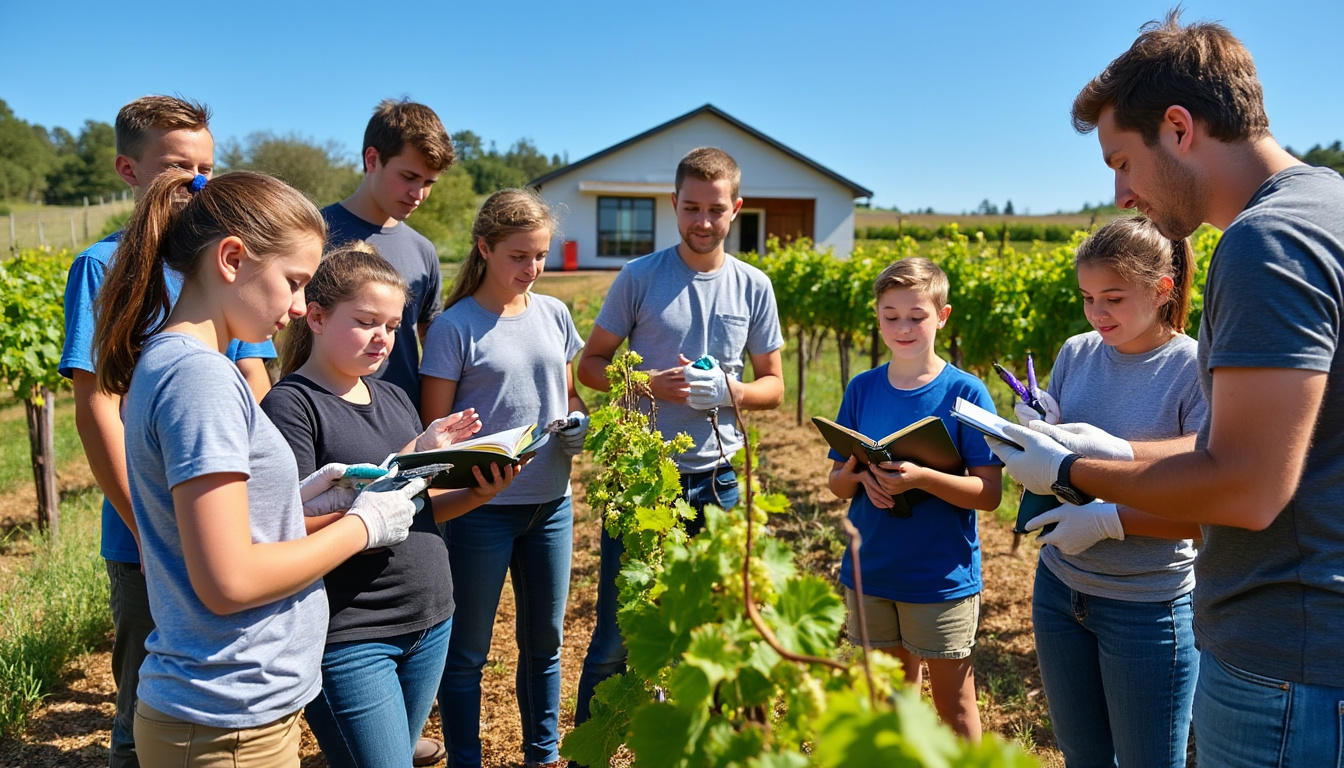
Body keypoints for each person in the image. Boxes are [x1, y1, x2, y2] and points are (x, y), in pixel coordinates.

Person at [989, 11, 1344, 765]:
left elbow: (1248, 486)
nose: (1122, 192)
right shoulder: (1330, 209)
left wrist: (1069, 471)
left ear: (1179, 128)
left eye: (1123, 160)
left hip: (1284, 663)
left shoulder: (1265, 241)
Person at [94, 168, 423, 767]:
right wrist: (363, 526)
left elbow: (223, 537)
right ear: (231, 259)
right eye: (294, 282)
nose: (300, 308)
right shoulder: (202, 378)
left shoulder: (183, 363)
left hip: (232, 714)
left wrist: (300, 507)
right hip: (226, 718)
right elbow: (230, 581)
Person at [56, 94, 277, 768]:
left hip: (228, 518)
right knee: (147, 704)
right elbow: (97, 408)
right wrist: (151, 529)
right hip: (144, 532)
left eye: (208, 167)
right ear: (129, 169)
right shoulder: (105, 265)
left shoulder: (217, 261)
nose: (198, 183)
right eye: (178, 167)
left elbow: (256, 383)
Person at [261, 242, 517, 768]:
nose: (383, 339)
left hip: (430, 620)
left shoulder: (395, 397)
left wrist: (477, 491)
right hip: (352, 635)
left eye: (394, 326)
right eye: (367, 322)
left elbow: (414, 510)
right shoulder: (292, 405)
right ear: (315, 316)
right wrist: (391, 476)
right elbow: (283, 527)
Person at [573, 147, 785, 735]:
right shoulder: (639, 277)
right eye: (690, 207)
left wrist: (729, 390)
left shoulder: (753, 286)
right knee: (621, 630)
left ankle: (712, 743)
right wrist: (647, 384)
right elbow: (590, 366)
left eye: (715, 209)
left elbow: (774, 386)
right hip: (643, 481)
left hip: (719, 480)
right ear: (673, 205)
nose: (702, 220)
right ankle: (589, 746)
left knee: (719, 626)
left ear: (735, 210)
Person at [1014, 217, 1206, 767]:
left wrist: (1110, 519)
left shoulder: (1193, 369)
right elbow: (1060, 461)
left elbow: (1207, 508)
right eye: (1087, 298)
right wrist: (1038, 424)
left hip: (1147, 605)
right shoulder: (1077, 352)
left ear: (1161, 289)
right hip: (1059, 588)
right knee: (1083, 756)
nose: (1098, 313)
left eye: (1114, 298)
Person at [420, 189, 588, 768]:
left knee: (545, 645)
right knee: (467, 652)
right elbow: (433, 429)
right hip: (478, 510)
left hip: (552, 504)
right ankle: (466, 757)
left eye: (540, 255)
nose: (533, 269)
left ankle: (542, 755)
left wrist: (578, 427)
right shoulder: (454, 327)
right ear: (485, 249)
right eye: (520, 256)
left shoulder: (555, 314)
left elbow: (568, 395)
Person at [826, 257, 1000, 740]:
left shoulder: (967, 392)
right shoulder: (862, 388)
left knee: (954, 708)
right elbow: (836, 483)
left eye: (917, 316)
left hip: (938, 576)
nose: (903, 327)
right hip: (871, 571)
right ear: (877, 316)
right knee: (887, 702)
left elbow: (988, 494)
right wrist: (859, 476)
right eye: (890, 316)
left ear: (942, 317)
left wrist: (922, 477)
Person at [322, 98, 454, 411]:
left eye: (429, 182)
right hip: (325, 420)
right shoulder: (314, 234)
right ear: (372, 159)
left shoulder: (424, 250)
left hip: (406, 424)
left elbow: (434, 347)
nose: (418, 194)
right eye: (408, 177)